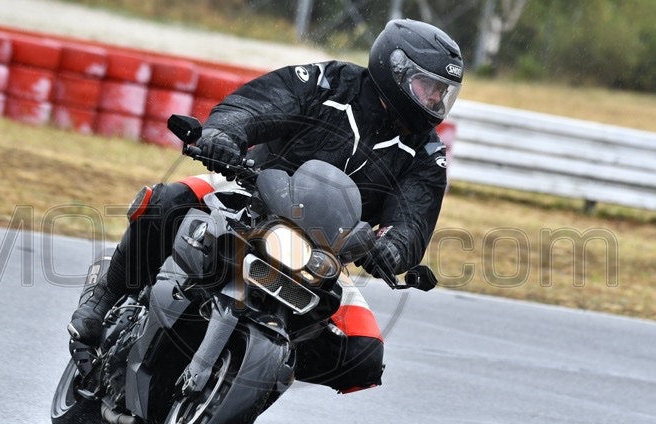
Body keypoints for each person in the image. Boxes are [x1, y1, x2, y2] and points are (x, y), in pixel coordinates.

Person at [68, 18, 463, 393]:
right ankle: (105, 297)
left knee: (364, 355)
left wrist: (393, 248)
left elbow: (413, 218)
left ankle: (262, 371)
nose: (434, 100)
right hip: (250, 194)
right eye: (427, 86)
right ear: (395, 69)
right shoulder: (329, 83)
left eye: (441, 93)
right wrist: (224, 135)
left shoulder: (427, 154)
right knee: (166, 201)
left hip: (322, 253)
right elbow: (261, 104)